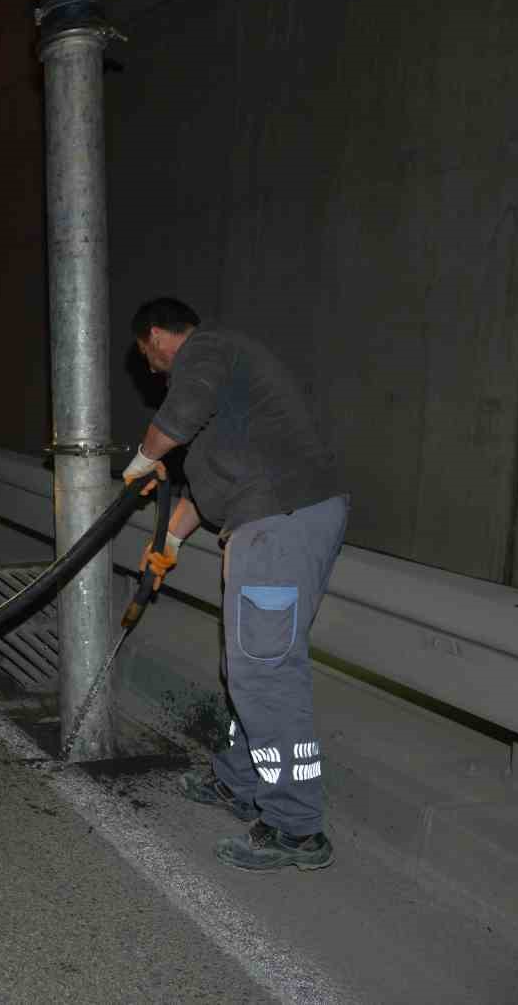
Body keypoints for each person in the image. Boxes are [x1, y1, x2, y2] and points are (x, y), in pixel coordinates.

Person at [121, 297, 348, 871]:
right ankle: (239, 780)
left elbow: (178, 415)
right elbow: (205, 494)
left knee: (265, 671)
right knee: (248, 665)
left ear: (156, 337)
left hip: (277, 522)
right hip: (276, 519)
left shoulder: (209, 350)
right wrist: (167, 545)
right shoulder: (233, 401)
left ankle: (295, 827)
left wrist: (142, 459)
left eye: (148, 359)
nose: (152, 372)